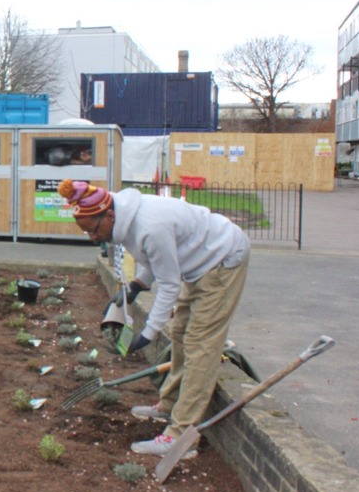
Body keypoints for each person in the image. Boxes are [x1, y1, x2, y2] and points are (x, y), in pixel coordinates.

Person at [59, 178, 250, 459]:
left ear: (108, 215)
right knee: (182, 336)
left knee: (201, 347)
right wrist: (136, 285)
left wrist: (147, 334)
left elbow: (170, 284)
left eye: (94, 230)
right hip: (198, 266)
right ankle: (169, 405)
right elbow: (154, 259)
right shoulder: (126, 220)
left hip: (222, 261)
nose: (93, 237)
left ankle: (180, 436)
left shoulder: (149, 225)